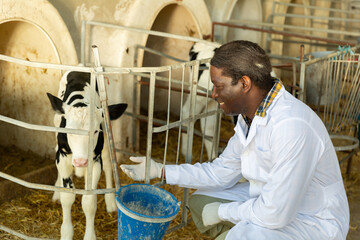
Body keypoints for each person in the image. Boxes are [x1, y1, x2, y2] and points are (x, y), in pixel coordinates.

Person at [120, 40, 350, 240]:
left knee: (231, 226)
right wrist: (162, 171)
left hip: (311, 218)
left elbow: (275, 212)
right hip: (270, 200)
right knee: (201, 202)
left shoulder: (291, 126)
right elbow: (220, 172)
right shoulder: (250, 116)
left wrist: (224, 213)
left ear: (244, 83)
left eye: (219, 85)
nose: (213, 94)